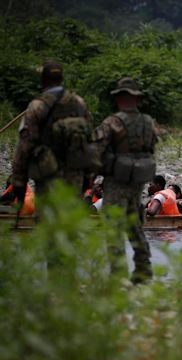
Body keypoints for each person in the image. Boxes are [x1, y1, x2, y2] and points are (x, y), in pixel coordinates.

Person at [91, 77, 158, 284]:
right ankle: (143, 270)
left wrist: (89, 179)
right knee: (135, 224)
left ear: (120, 98)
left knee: (114, 227)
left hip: (116, 182)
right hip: (137, 182)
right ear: (137, 99)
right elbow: (151, 149)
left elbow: (96, 153)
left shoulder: (112, 123)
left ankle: (118, 274)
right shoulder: (148, 123)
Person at [10, 60, 94, 206]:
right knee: (71, 222)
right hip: (75, 175)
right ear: (61, 79)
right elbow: (89, 140)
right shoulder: (79, 103)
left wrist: (18, 180)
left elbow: (25, 146)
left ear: (43, 80)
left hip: (48, 176)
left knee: (48, 220)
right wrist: (88, 175)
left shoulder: (37, 106)